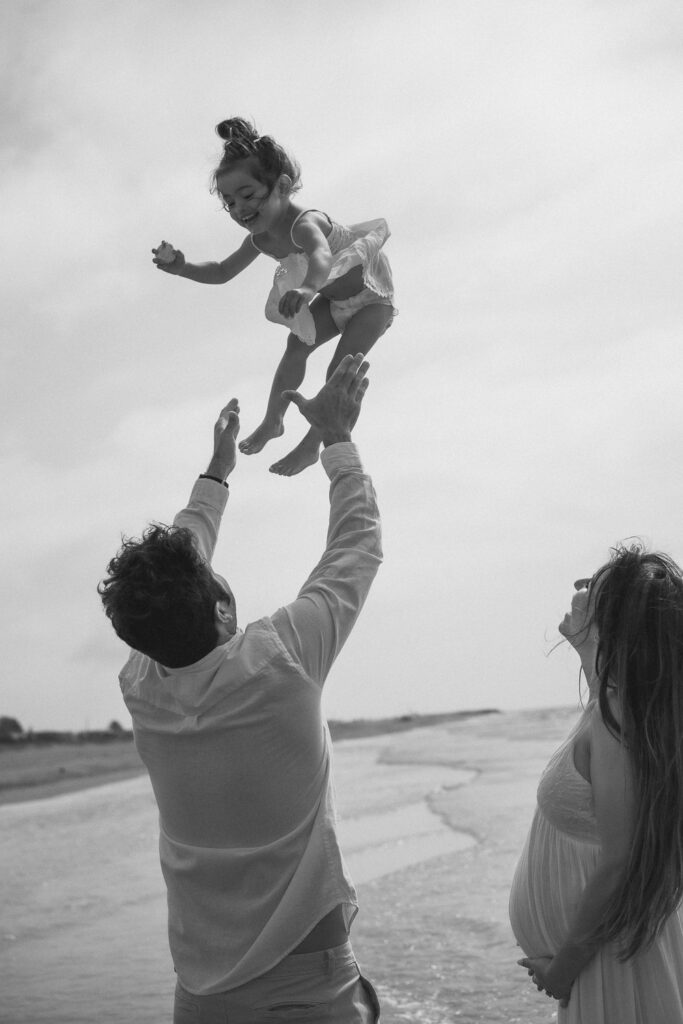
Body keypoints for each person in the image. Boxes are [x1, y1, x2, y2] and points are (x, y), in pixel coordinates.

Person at [98, 353, 382, 1023]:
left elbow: (179, 570)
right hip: (307, 988)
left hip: (202, 994)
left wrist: (216, 475)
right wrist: (337, 438)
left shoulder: (141, 682)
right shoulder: (278, 659)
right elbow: (356, 546)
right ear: (222, 609)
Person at [152, 116, 396, 477]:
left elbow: (321, 257)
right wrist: (183, 267)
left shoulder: (305, 223)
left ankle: (312, 445)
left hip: (372, 300)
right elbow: (221, 271)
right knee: (295, 345)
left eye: (248, 196)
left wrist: (308, 288)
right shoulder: (260, 239)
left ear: (282, 186)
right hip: (334, 299)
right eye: (229, 202)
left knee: (337, 369)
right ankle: (274, 420)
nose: (239, 209)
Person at [509, 545, 683, 1022]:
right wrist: (589, 646)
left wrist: (563, 968)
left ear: (621, 623)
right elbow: (604, 710)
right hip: (613, 953)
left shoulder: (620, 718)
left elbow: (619, 860)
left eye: (595, 593)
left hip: (608, 963)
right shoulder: (626, 706)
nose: (579, 594)